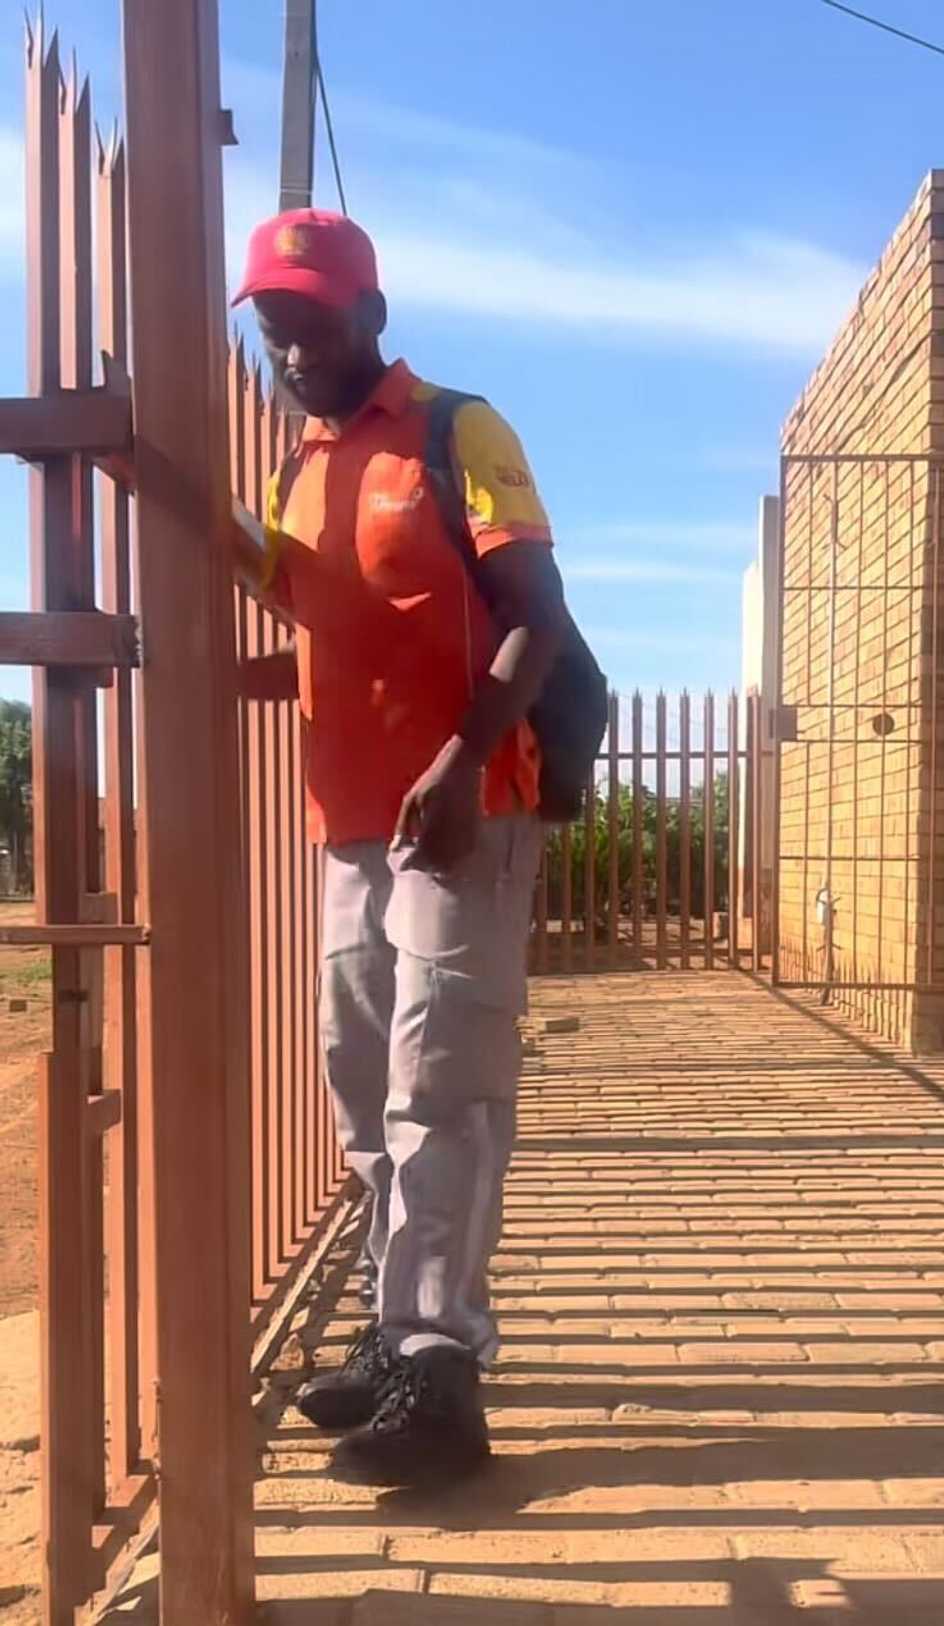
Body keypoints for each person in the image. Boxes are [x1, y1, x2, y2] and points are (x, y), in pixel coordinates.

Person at [231, 207, 565, 1484]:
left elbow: (532, 617)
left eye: (311, 323)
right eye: (273, 328)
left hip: (463, 812)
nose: (291, 349)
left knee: (445, 1085)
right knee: (364, 1082)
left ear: (370, 313)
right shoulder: (299, 470)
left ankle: (440, 1370)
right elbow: (335, 635)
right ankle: (393, 1331)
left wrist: (462, 761)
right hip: (350, 822)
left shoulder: (456, 431)